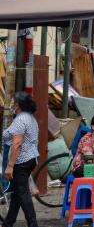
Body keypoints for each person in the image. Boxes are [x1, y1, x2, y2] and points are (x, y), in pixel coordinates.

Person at [2, 92, 39, 227]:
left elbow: (17, 144)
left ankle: (33, 224)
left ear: (17, 104)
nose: (11, 104)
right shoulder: (29, 117)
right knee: (17, 194)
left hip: (22, 161)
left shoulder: (20, 119)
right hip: (31, 158)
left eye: (12, 101)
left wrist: (10, 165)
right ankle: (8, 223)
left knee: (23, 193)